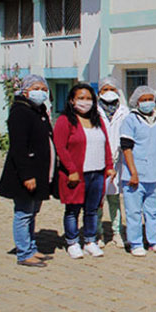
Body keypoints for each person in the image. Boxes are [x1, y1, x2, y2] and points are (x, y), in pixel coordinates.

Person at [0, 75, 56, 268]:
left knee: (32, 212)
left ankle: (31, 247)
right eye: (37, 88)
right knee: (23, 213)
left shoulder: (38, 110)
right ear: (26, 90)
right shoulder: (20, 112)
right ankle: (24, 252)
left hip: (40, 173)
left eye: (44, 89)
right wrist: (27, 175)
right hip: (26, 174)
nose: (41, 92)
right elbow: (18, 147)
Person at [54, 83, 115, 259]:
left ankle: (90, 240)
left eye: (88, 98)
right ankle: (72, 242)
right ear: (72, 100)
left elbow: (106, 145)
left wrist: (109, 166)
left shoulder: (98, 120)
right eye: (81, 98)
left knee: (92, 209)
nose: (85, 102)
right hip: (76, 174)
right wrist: (71, 170)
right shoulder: (65, 120)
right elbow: (61, 147)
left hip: (97, 172)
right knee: (73, 210)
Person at [120, 86, 156, 256]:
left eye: (150, 99)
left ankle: (154, 241)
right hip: (135, 175)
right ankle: (135, 242)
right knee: (134, 211)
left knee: (153, 211)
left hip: (155, 174)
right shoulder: (130, 120)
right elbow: (126, 148)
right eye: (144, 100)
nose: (147, 103)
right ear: (136, 102)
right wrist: (133, 172)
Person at [95, 76, 129, 248]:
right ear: (99, 92)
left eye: (112, 89)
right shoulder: (94, 111)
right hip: (97, 161)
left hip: (118, 161)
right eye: (105, 89)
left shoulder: (124, 111)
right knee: (98, 199)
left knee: (115, 199)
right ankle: (98, 232)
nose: (109, 93)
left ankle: (117, 232)